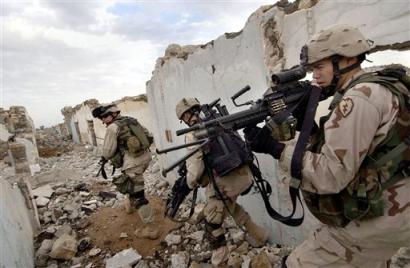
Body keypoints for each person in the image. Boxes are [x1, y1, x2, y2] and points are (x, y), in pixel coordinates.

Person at [244, 24, 410, 267]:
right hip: (398, 205)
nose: (315, 76)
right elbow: (373, 148)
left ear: (348, 59)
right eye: (312, 69)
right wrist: (308, 128)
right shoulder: (381, 85)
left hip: (381, 216)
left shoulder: (358, 98)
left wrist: (275, 149)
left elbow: (331, 175)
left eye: (320, 67)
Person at [175, 97, 269, 267]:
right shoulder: (219, 120)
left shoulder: (194, 133)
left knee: (212, 222)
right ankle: (260, 236)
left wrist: (189, 184)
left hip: (227, 183)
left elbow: (195, 171)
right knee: (230, 207)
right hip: (244, 174)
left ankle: (220, 262)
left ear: (184, 116)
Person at [92, 104, 158, 239]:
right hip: (145, 158)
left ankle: (151, 229)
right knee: (132, 182)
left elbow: (108, 151)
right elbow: (148, 136)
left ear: (111, 115)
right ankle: (129, 206)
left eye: (103, 118)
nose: (103, 121)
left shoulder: (112, 127)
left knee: (137, 194)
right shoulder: (131, 120)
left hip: (133, 163)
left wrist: (103, 159)